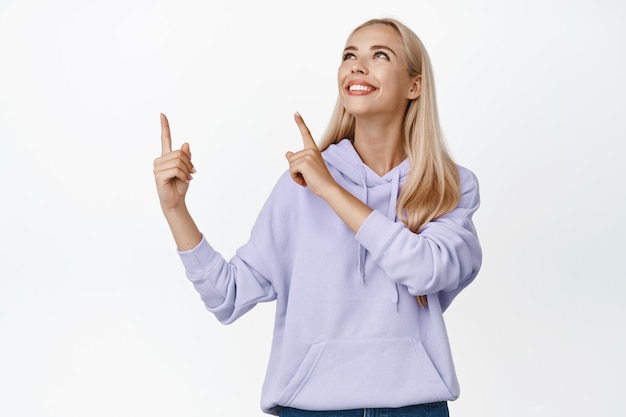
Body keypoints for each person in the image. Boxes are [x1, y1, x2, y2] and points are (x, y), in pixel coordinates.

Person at [153, 17, 482, 417]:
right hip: (311, 409)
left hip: (414, 407)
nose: (357, 66)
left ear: (415, 85)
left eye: (379, 55)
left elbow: (426, 269)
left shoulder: (449, 186)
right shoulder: (300, 184)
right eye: (349, 55)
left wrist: (331, 190)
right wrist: (175, 209)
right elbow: (227, 296)